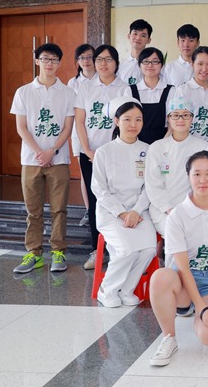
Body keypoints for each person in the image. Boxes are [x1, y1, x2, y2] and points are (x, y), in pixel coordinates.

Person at [148, 150, 208, 367]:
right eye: (197, 174)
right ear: (188, 177)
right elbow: (182, 268)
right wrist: (202, 307)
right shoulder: (177, 215)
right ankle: (169, 337)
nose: (203, 180)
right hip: (184, 279)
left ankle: (200, 313)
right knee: (160, 277)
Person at [11, 43, 75, 274]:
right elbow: (21, 127)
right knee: (33, 210)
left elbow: (68, 127)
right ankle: (34, 253)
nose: (50, 63)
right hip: (31, 160)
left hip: (59, 159)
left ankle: (58, 251)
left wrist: (52, 151)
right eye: (45, 59)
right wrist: (39, 152)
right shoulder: (23, 92)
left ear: (60, 63)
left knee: (59, 209)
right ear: (37, 61)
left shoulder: (68, 93)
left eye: (54, 59)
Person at [92, 97, 157, 308]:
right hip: (111, 212)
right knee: (128, 250)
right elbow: (99, 189)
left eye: (138, 119)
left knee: (148, 249)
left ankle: (127, 289)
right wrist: (122, 213)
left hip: (139, 210)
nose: (133, 124)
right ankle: (107, 290)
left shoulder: (148, 150)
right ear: (116, 121)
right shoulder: (104, 152)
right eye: (127, 119)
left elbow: (151, 186)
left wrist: (136, 211)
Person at [75, 44, 128, 270]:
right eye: (99, 59)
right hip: (90, 154)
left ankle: (118, 248)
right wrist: (87, 150)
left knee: (118, 199)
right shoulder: (85, 87)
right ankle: (97, 250)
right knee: (95, 201)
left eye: (108, 59)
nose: (103, 64)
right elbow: (79, 121)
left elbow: (127, 122)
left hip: (116, 155)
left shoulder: (124, 88)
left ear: (116, 63)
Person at [145, 96, 208, 236]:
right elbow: (152, 184)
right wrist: (169, 209)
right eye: (175, 115)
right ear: (168, 118)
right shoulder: (157, 147)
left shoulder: (203, 147)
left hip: (194, 208)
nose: (180, 119)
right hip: (162, 209)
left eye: (185, 115)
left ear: (192, 118)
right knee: (177, 233)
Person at [67, 44, 96, 228]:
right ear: (77, 61)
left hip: (98, 131)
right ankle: (88, 209)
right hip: (79, 132)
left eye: (89, 57)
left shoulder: (102, 78)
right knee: (85, 173)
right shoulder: (73, 83)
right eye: (82, 58)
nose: (86, 61)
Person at [123, 47, 175, 144]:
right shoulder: (130, 91)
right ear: (139, 65)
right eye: (146, 61)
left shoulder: (171, 90)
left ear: (162, 65)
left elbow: (172, 123)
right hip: (135, 142)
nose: (150, 65)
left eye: (155, 61)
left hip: (164, 142)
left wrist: (162, 144)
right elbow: (127, 120)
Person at [177, 47, 208, 143]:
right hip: (188, 143)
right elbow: (177, 122)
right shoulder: (183, 90)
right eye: (200, 64)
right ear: (192, 64)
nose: (204, 69)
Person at [118, 19, 152, 86]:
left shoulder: (153, 66)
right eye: (135, 34)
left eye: (143, 35)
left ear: (149, 40)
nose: (138, 38)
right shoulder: (120, 66)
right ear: (129, 36)